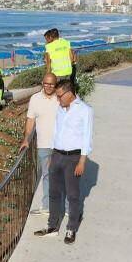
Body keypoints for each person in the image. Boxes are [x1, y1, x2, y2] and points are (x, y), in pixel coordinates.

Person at [34, 80, 94, 245]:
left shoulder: (85, 110)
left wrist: (82, 161)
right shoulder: (60, 109)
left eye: (59, 96)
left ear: (69, 94)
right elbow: (56, 132)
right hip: (57, 156)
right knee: (54, 193)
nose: (58, 99)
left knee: (73, 195)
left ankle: (71, 228)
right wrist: (52, 156)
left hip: (73, 158)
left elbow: (87, 138)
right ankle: (52, 226)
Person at [19, 73, 64, 216]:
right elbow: (30, 120)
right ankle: (47, 206)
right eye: (46, 83)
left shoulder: (61, 97)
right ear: (42, 83)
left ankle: (63, 206)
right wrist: (26, 138)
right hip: (43, 144)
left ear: (55, 84)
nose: (49, 86)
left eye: (52, 84)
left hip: (60, 144)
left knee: (60, 176)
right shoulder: (35, 99)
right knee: (46, 175)